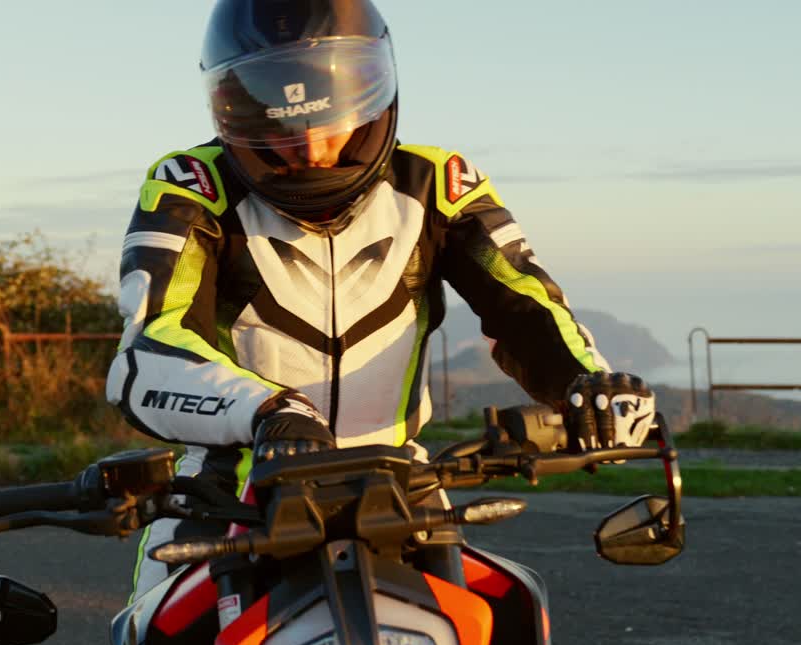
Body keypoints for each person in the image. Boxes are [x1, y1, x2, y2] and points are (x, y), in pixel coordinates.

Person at [105, 0, 656, 603]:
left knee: (513, 616)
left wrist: (589, 385)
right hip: (228, 489)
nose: (310, 147)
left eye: (327, 116)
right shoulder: (190, 186)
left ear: (372, 89)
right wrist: (269, 412)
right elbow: (150, 346)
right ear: (235, 105)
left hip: (403, 485)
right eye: (279, 123)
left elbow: (522, 303)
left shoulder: (439, 181)